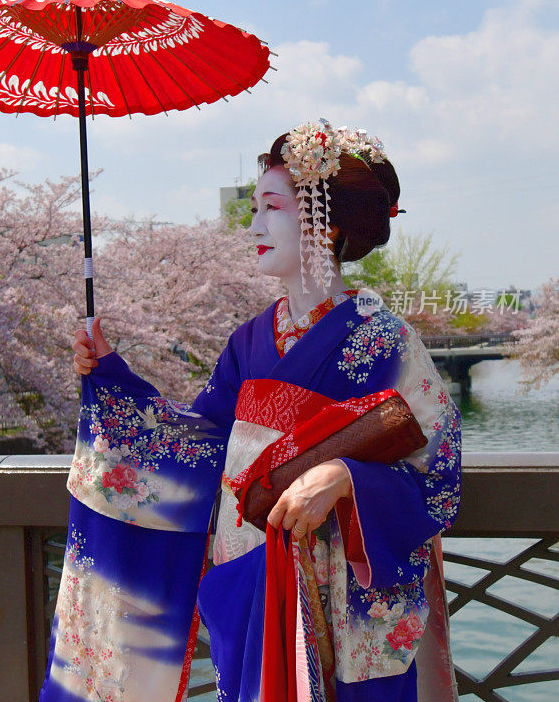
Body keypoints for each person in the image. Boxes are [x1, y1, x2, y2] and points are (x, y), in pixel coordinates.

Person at [41, 120, 461, 702]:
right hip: (253, 575)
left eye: (272, 206)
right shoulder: (249, 341)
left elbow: (436, 477)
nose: (255, 226)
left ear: (323, 218)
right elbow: (199, 445)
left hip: (346, 596)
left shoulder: (384, 340)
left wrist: (344, 478)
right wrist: (112, 376)